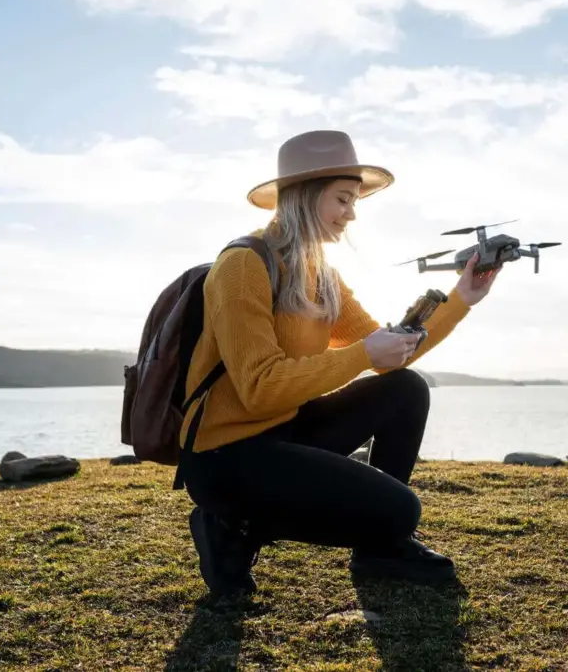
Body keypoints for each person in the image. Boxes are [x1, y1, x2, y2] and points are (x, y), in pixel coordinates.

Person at [178, 129, 501, 597]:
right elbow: (258, 387)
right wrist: (361, 355)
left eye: (354, 203)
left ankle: (380, 550)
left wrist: (462, 298)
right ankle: (229, 524)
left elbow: (390, 354)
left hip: (284, 428)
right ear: (306, 197)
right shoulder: (243, 265)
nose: (351, 214)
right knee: (399, 511)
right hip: (225, 454)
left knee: (405, 388)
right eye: (343, 200)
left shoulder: (321, 275)